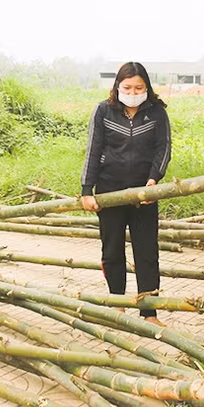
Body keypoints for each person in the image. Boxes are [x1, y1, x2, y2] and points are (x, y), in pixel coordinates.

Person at [80, 62, 171, 326]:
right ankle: (117, 305)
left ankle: (149, 312)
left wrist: (154, 181)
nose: (133, 92)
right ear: (117, 87)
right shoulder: (104, 111)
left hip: (145, 193)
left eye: (139, 87)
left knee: (146, 252)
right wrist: (87, 190)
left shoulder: (156, 113)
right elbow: (93, 150)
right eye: (127, 87)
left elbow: (162, 149)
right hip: (109, 191)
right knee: (111, 250)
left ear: (147, 88)